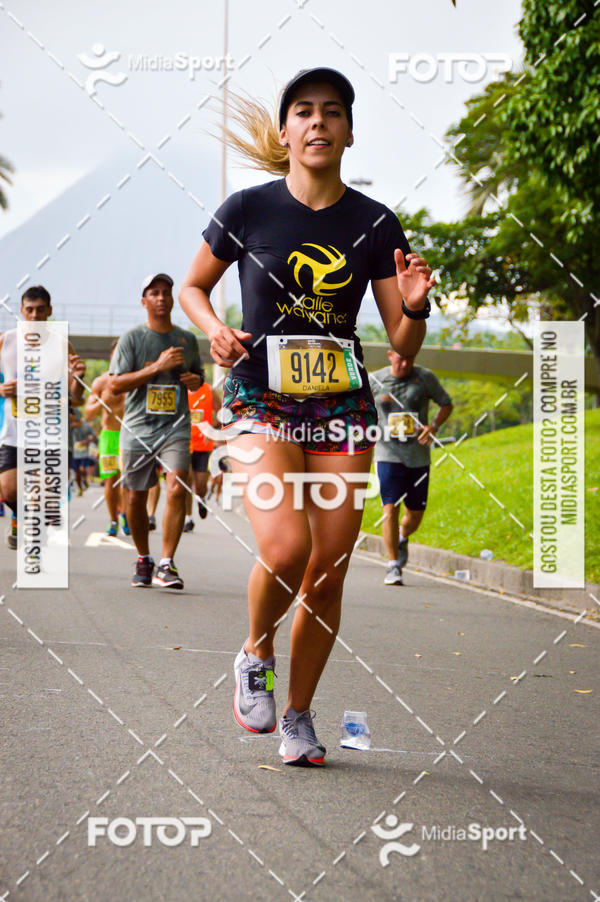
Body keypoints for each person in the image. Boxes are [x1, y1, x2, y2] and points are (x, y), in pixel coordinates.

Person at [180, 68, 434, 766]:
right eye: (304, 112)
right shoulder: (247, 208)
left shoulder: (375, 223)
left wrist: (412, 302)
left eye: (332, 113)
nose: (318, 122)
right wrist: (212, 328)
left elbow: (402, 347)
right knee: (288, 549)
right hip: (259, 399)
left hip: (342, 407)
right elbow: (194, 287)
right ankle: (254, 649)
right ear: (286, 132)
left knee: (328, 569)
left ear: (349, 132)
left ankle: (296, 716)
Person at [108, 273, 204, 589]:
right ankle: (143, 557)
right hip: (137, 428)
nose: (161, 298)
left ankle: (166, 563)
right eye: (154, 293)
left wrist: (194, 381)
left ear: (173, 299)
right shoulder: (132, 339)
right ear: (144, 301)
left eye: (166, 292)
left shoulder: (187, 340)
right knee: (134, 497)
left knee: (178, 485)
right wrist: (156, 367)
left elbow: (198, 377)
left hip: (175, 426)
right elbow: (115, 384)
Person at [0, 286, 85, 549]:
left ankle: (34, 536)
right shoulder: (6, 341)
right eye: (29, 310)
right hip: (13, 432)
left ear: (49, 311)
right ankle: (20, 517)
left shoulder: (62, 345)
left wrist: (78, 378)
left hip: (47, 432)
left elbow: (77, 396)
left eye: (40, 310)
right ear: (22, 311)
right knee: (9, 490)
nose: (35, 315)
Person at [370, 351, 453, 585]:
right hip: (387, 453)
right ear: (389, 356)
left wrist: (434, 426)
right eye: (399, 358)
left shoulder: (425, 377)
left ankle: (403, 536)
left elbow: (446, 404)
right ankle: (393, 565)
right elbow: (357, 407)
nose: (404, 363)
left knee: (415, 514)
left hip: (417, 456)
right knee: (390, 508)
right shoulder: (374, 380)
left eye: (409, 359)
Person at [85, 345, 129, 536]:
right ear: (112, 355)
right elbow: (88, 414)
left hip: (131, 436)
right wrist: (102, 401)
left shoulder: (136, 380)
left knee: (129, 481)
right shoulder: (100, 382)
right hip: (109, 436)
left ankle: (126, 514)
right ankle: (113, 520)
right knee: (111, 481)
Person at [183, 381, 220, 532]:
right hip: (185, 443)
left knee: (200, 485)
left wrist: (210, 429)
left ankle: (202, 499)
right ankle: (188, 518)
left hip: (203, 445)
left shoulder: (209, 390)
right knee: (186, 481)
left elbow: (223, 414)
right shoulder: (180, 390)